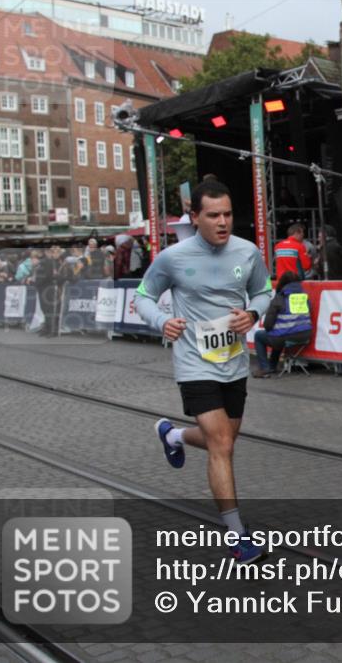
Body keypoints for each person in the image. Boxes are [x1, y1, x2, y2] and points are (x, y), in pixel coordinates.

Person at [134, 179, 272, 563]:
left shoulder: (248, 252)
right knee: (222, 445)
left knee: (224, 439)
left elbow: (265, 290)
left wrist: (253, 312)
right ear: (195, 217)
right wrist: (161, 321)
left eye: (227, 214)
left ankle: (173, 435)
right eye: (213, 215)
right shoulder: (173, 258)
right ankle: (237, 535)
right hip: (194, 362)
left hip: (233, 361)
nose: (223, 222)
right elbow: (143, 296)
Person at [251, 271, 313, 377]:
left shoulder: (280, 298)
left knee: (260, 336)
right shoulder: (304, 296)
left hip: (285, 336)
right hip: (305, 335)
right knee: (278, 333)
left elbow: (267, 325)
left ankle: (265, 369)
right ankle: (272, 366)